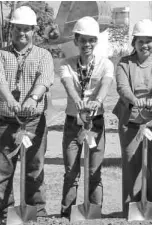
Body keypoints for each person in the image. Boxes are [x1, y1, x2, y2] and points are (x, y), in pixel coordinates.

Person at [112, 19, 152, 218]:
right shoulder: (124, 63)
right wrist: (134, 100)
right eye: (140, 41)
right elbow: (122, 87)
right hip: (130, 117)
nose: (145, 45)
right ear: (134, 42)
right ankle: (131, 207)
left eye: (149, 41)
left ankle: (151, 206)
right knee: (131, 162)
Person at [0, 6, 54, 218]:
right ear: (11, 29)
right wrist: (11, 100)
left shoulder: (44, 55)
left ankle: (35, 210)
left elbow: (45, 79)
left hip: (33, 122)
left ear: (34, 30)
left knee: (34, 168)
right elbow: (1, 81)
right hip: (6, 121)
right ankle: (5, 212)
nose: (22, 33)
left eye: (27, 29)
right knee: (3, 170)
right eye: (18, 28)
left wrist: (33, 98)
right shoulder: (1, 55)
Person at [58, 16, 114, 218]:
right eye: (83, 40)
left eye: (91, 40)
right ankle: (66, 214)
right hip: (73, 122)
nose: (87, 44)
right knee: (71, 171)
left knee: (94, 171)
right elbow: (68, 85)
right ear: (76, 41)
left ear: (96, 41)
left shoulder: (105, 64)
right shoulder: (66, 64)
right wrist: (77, 101)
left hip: (95, 123)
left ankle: (94, 211)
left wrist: (97, 101)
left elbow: (106, 84)